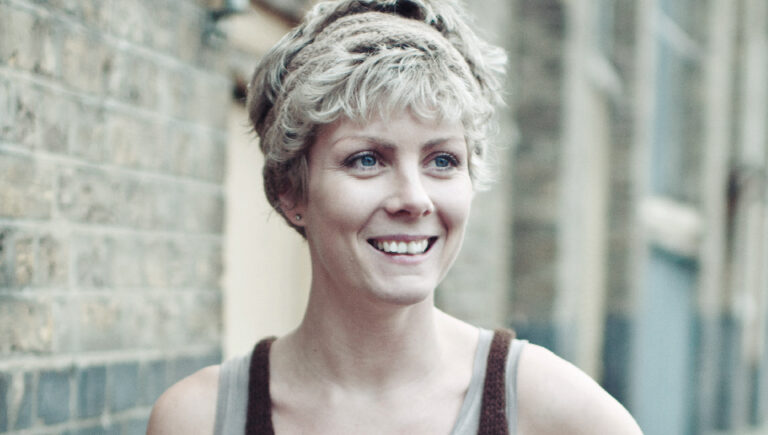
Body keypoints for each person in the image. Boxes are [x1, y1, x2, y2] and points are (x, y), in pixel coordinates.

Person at [147, 0, 643, 434]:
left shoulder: (557, 413)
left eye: (442, 160)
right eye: (367, 159)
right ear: (290, 190)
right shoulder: (200, 420)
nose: (414, 198)